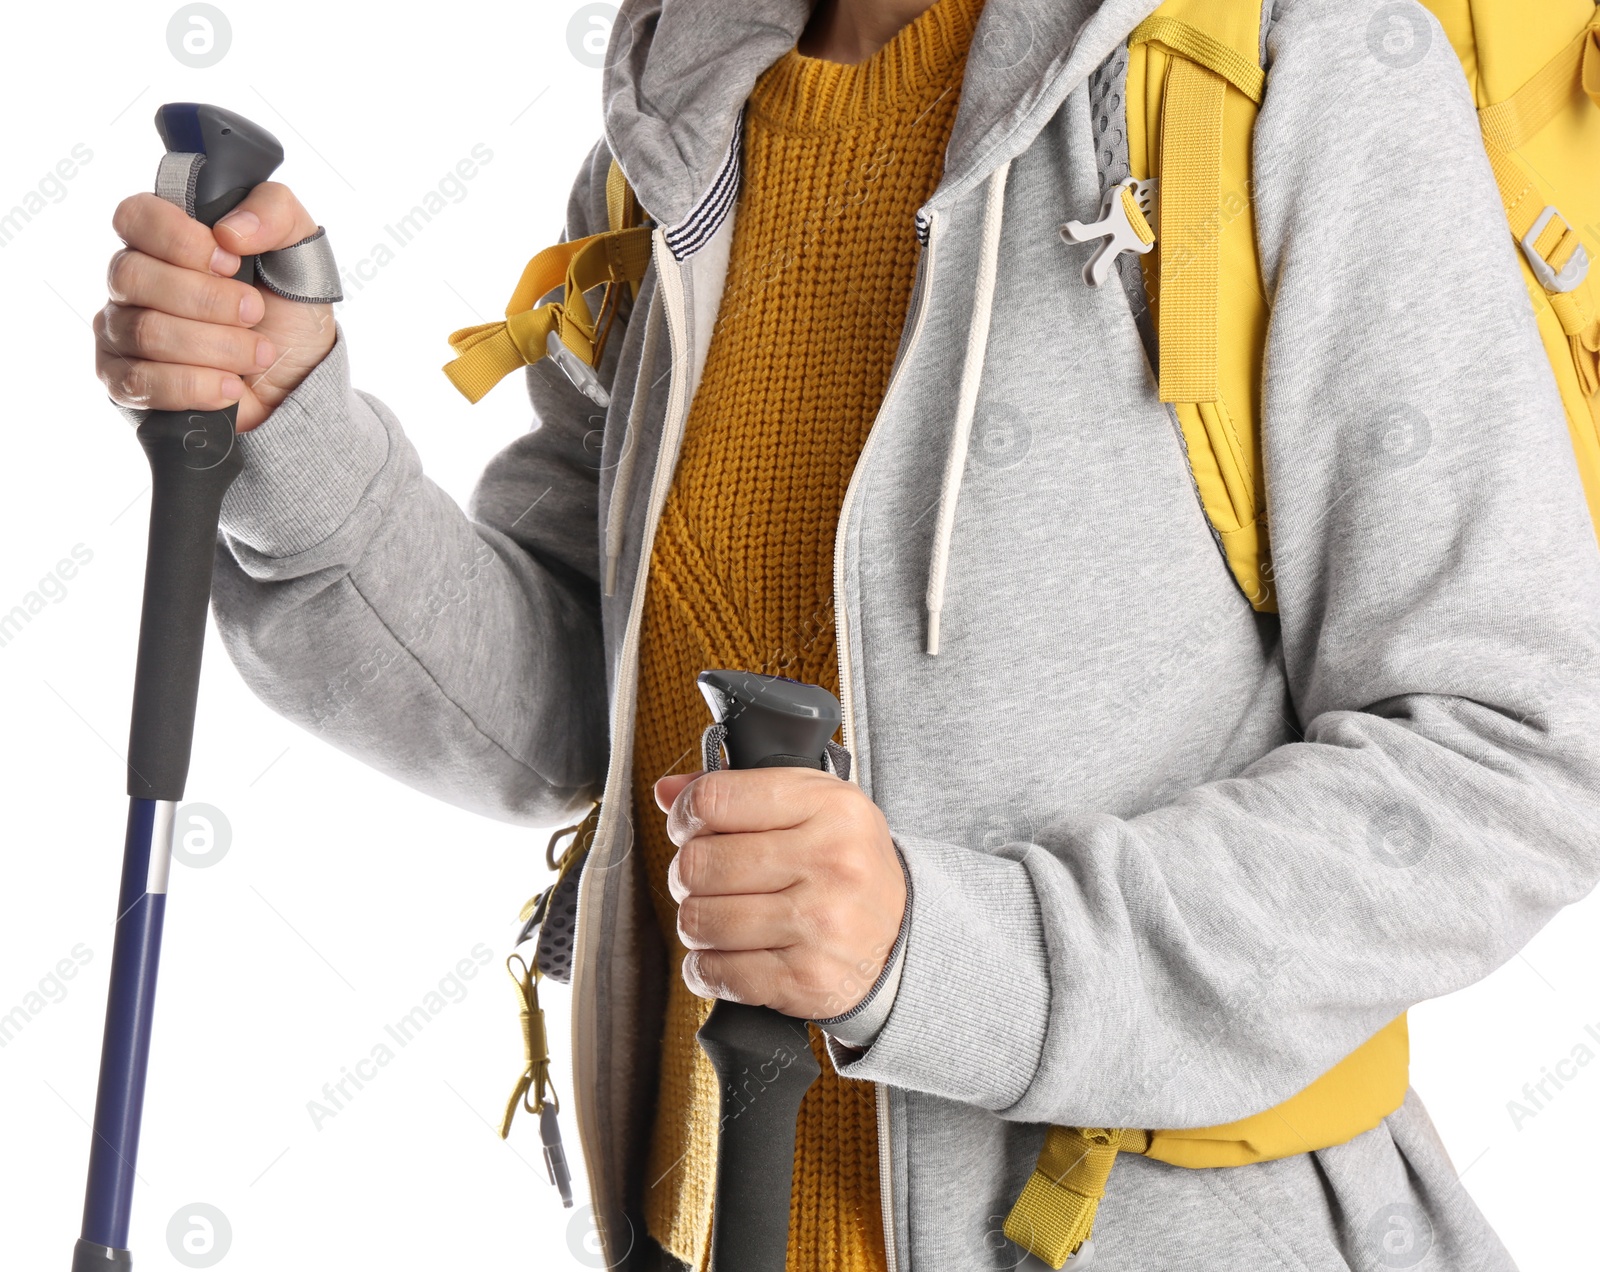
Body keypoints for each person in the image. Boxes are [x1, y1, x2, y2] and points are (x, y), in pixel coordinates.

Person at [94, 0, 1600, 1268]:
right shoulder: (679, 130)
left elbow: (1514, 753)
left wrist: (939, 957)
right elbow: (570, 710)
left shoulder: (1290, 67)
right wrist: (293, 435)